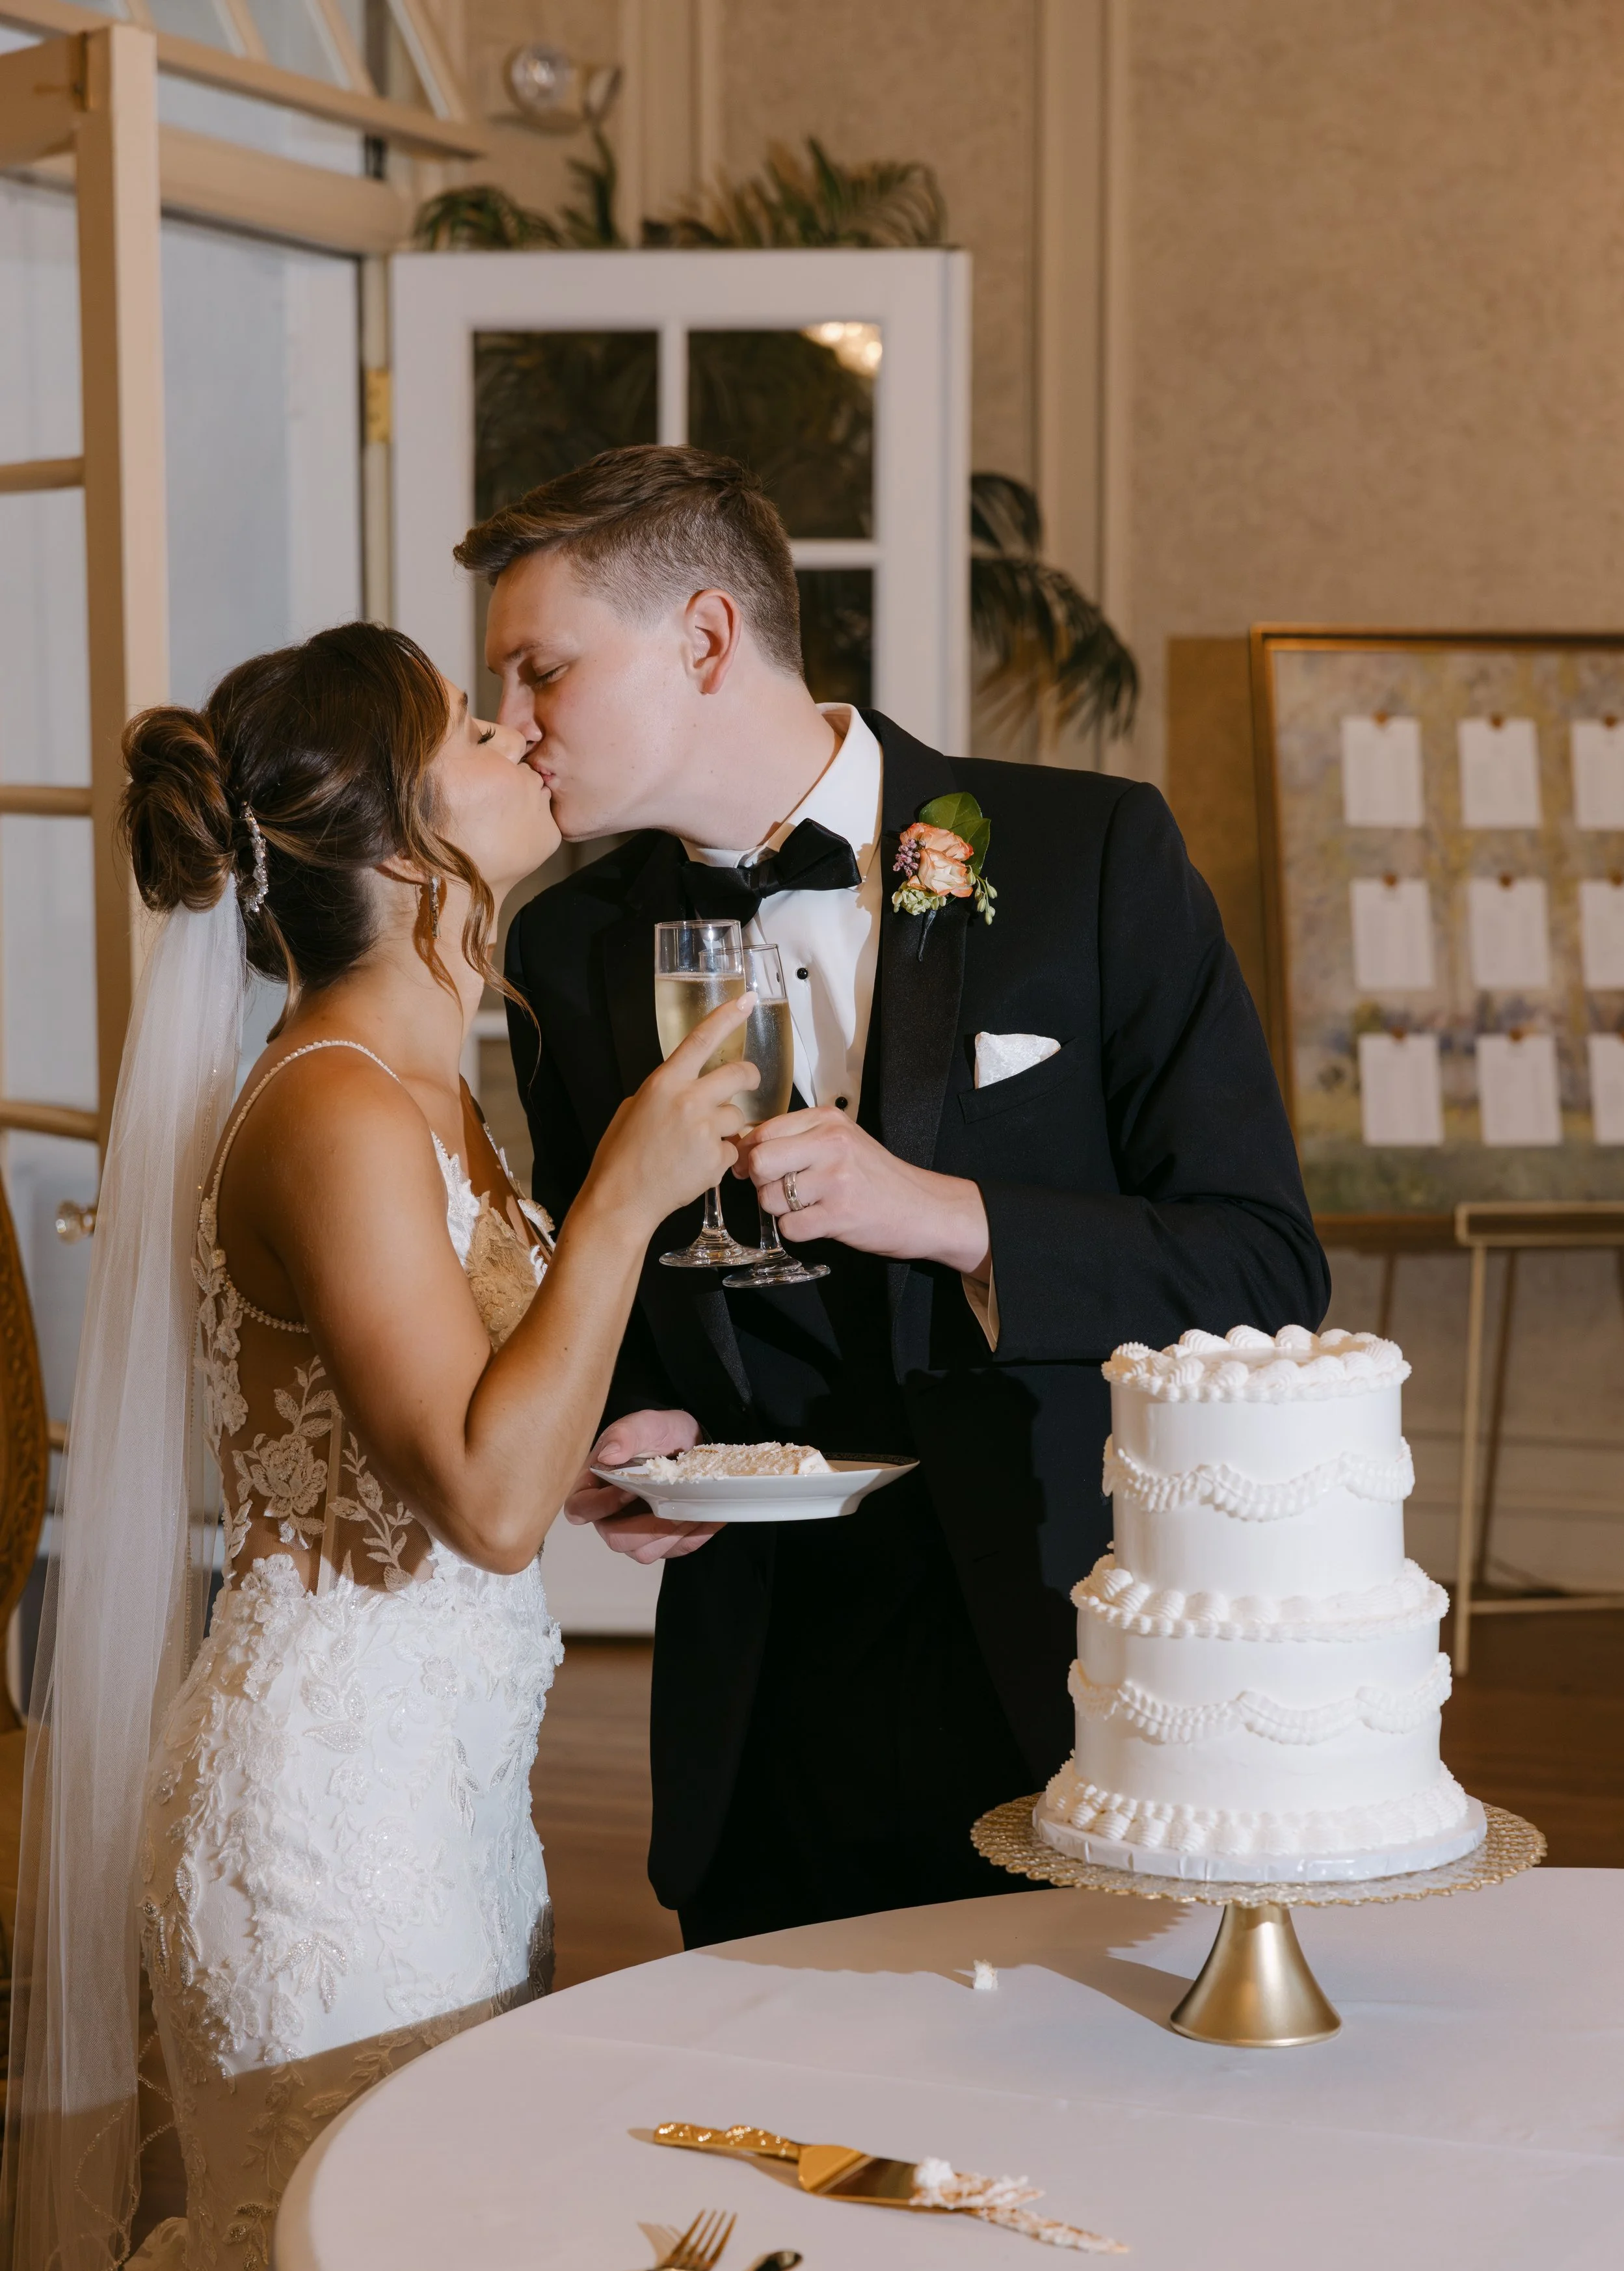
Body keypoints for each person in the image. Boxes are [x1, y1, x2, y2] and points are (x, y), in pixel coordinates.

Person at [0, 622, 754, 2271]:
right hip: (323, 1833)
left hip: (442, 1795)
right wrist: (629, 1202)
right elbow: (482, 1504)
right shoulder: (334, 1104)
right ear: (408, 845)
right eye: (477, 726)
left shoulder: (423, 1088)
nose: (522, 736)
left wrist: (585, 1456)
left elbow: (456, 1456)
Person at [485, 444, 1331, 1949]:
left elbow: (1261, 1265)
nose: (510, 727)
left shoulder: (1088, 855)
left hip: (1060, 1655)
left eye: (539, 672)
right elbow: (602, 1275)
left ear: (701, 637)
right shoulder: (568, 951)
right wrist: (639, 1424)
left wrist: (947, 1211)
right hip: (760, 1692)